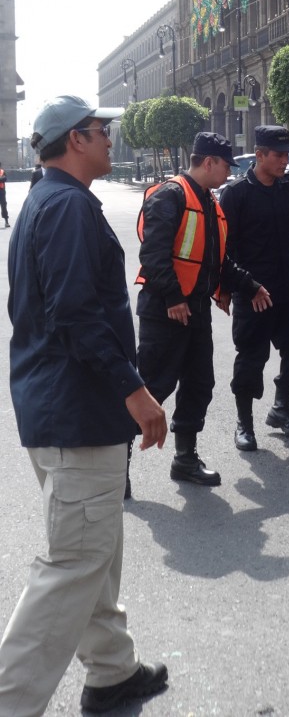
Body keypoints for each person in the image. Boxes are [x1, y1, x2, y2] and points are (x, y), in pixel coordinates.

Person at [0, 95, 169, 715]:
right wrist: (135, 390)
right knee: (73, 562)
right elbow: (75, 314)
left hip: (60, 411)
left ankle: (112, 670)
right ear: (74, 139)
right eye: (100, 131)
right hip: (75, 412)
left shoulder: (49, 200)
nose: (107, 139)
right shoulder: (67, 207)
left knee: (94, 549)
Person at [135, 131, 272, 488]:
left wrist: (249, 285)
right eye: (227, 165)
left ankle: (184, 459)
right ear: (209, 161)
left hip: (194, 311)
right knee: (150, 388)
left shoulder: (210, 202)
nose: (229, 173)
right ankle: (117, 461)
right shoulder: (171, 195)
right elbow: (153, 255)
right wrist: (173, 298)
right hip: (166, 311)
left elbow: (218, 262)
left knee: (199, 384)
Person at [220, 125, 289, 451]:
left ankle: (281, 408)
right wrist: (240, 286)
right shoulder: (236, 194)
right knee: (252, 359)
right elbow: (222, 250)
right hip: (252, 291)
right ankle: (244, 423)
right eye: (279, 155)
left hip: (288, 288)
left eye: (287, 154)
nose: (286, 160)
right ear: (259, 155)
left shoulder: (288, 187)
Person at [0, 162, 9, 227]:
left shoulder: (2, 171)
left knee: (4, 206)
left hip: (1, 191)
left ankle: (6, 221)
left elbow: (4, 179)